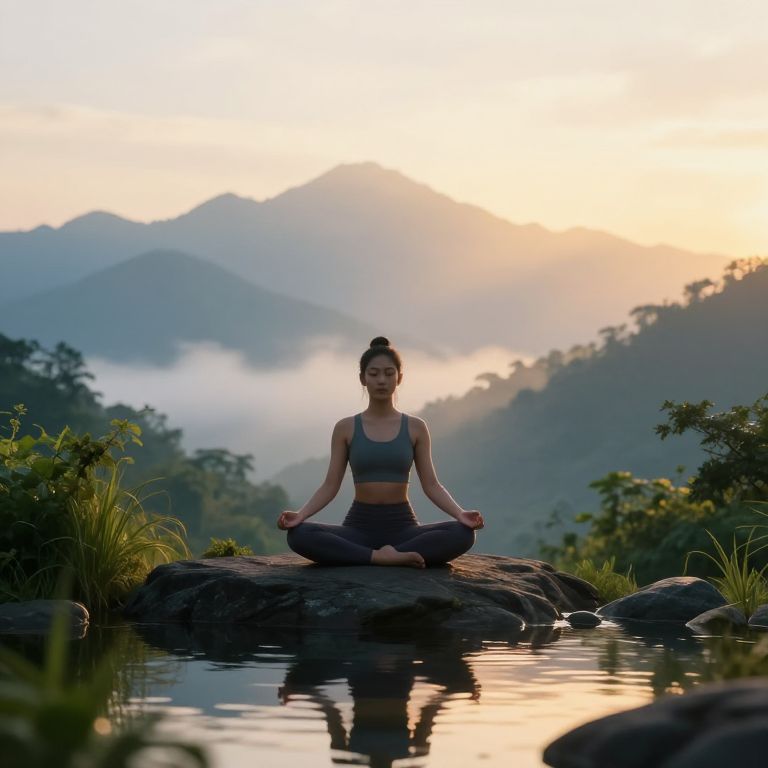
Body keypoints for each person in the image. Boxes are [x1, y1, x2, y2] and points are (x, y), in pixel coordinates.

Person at [277, 336, 484, 568]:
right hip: (358, 527)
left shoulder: (416, 427)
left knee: (463, 533)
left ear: (400, 377)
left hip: (403, 528)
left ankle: (371, 555)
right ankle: (380, 557)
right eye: (374, 374)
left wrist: (460, 514)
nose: (382, 380)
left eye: (389, 373)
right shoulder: (346, 428)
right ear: (362, 379)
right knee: (299, 534)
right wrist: (301, 515)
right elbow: (330, 485)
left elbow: (432, 485)